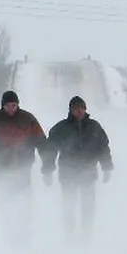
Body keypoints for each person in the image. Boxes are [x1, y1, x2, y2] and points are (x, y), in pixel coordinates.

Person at [0, 90, 48, 245]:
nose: (11, 108)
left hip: (23, 167)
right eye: (8, 106)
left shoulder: (28, 119)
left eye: (14, 105)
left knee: (25, 204)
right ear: (3, 105)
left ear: (18, 105)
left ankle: (24, 236)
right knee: (6, 204)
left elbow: (41, 141)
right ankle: (10, 236)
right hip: (2, 168)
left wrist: (47, 164)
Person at [42, 96, 113, 240]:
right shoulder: (61, 128)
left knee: (88, 206)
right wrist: (48, 170)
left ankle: (87, 235)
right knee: (69, 205)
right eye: (75, 109)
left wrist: (106, 167)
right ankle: (69, 235)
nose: (79, 111)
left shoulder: (94, 126)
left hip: (89, 172)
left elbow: (103, 147)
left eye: (81, 108)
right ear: (70, 110)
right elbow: (50, 150)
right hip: (68, 173)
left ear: (85, 109)